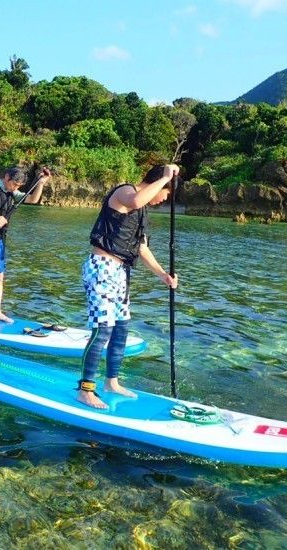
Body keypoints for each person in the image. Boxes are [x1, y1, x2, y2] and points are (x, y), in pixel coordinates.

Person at [77, 164, 180, 409]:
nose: (162, 201)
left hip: (120, 273)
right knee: (102, 330)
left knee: (121, 329)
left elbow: (142, 249)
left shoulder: (142, 214)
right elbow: (135, 200)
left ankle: (111, 381)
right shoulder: (125, 192)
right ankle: (85, 389)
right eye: (165, 194)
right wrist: (165, 177)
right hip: (101, 267)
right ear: (157, 183)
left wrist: (163, 275)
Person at [0, 166, 51, 329]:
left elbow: (32, 200)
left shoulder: (12, 192)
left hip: (0, 239)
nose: (16, 188)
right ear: (6, 177)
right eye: (14, 184)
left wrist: (41, 183)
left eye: (18, 186)